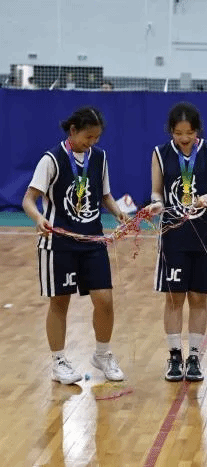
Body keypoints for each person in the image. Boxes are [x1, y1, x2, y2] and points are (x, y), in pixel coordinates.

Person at [22, 106, 127, 385]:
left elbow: (105, 195)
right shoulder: (51, 159)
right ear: (72, 131)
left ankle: (102, 354)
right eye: (87, 137)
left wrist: (118, 213)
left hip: (93, 241)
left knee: (104, 299)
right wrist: (38, 218)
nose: (92, 142)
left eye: (96, 137)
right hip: (59, 243)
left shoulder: (100, 158)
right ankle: (58, 362)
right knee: (60, 302)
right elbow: (28, 199)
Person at [146, 102, 207, 382]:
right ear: (171, 131)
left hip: (205, 235)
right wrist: (156, 204)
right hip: (173, 237)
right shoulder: (160, 153)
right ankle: (174, 356)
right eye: (179, 133)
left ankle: (194, 357)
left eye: (189, 133)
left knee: (199, 298)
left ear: (197, 130)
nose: (184, 138)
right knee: (174, 298)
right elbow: (157, 192)